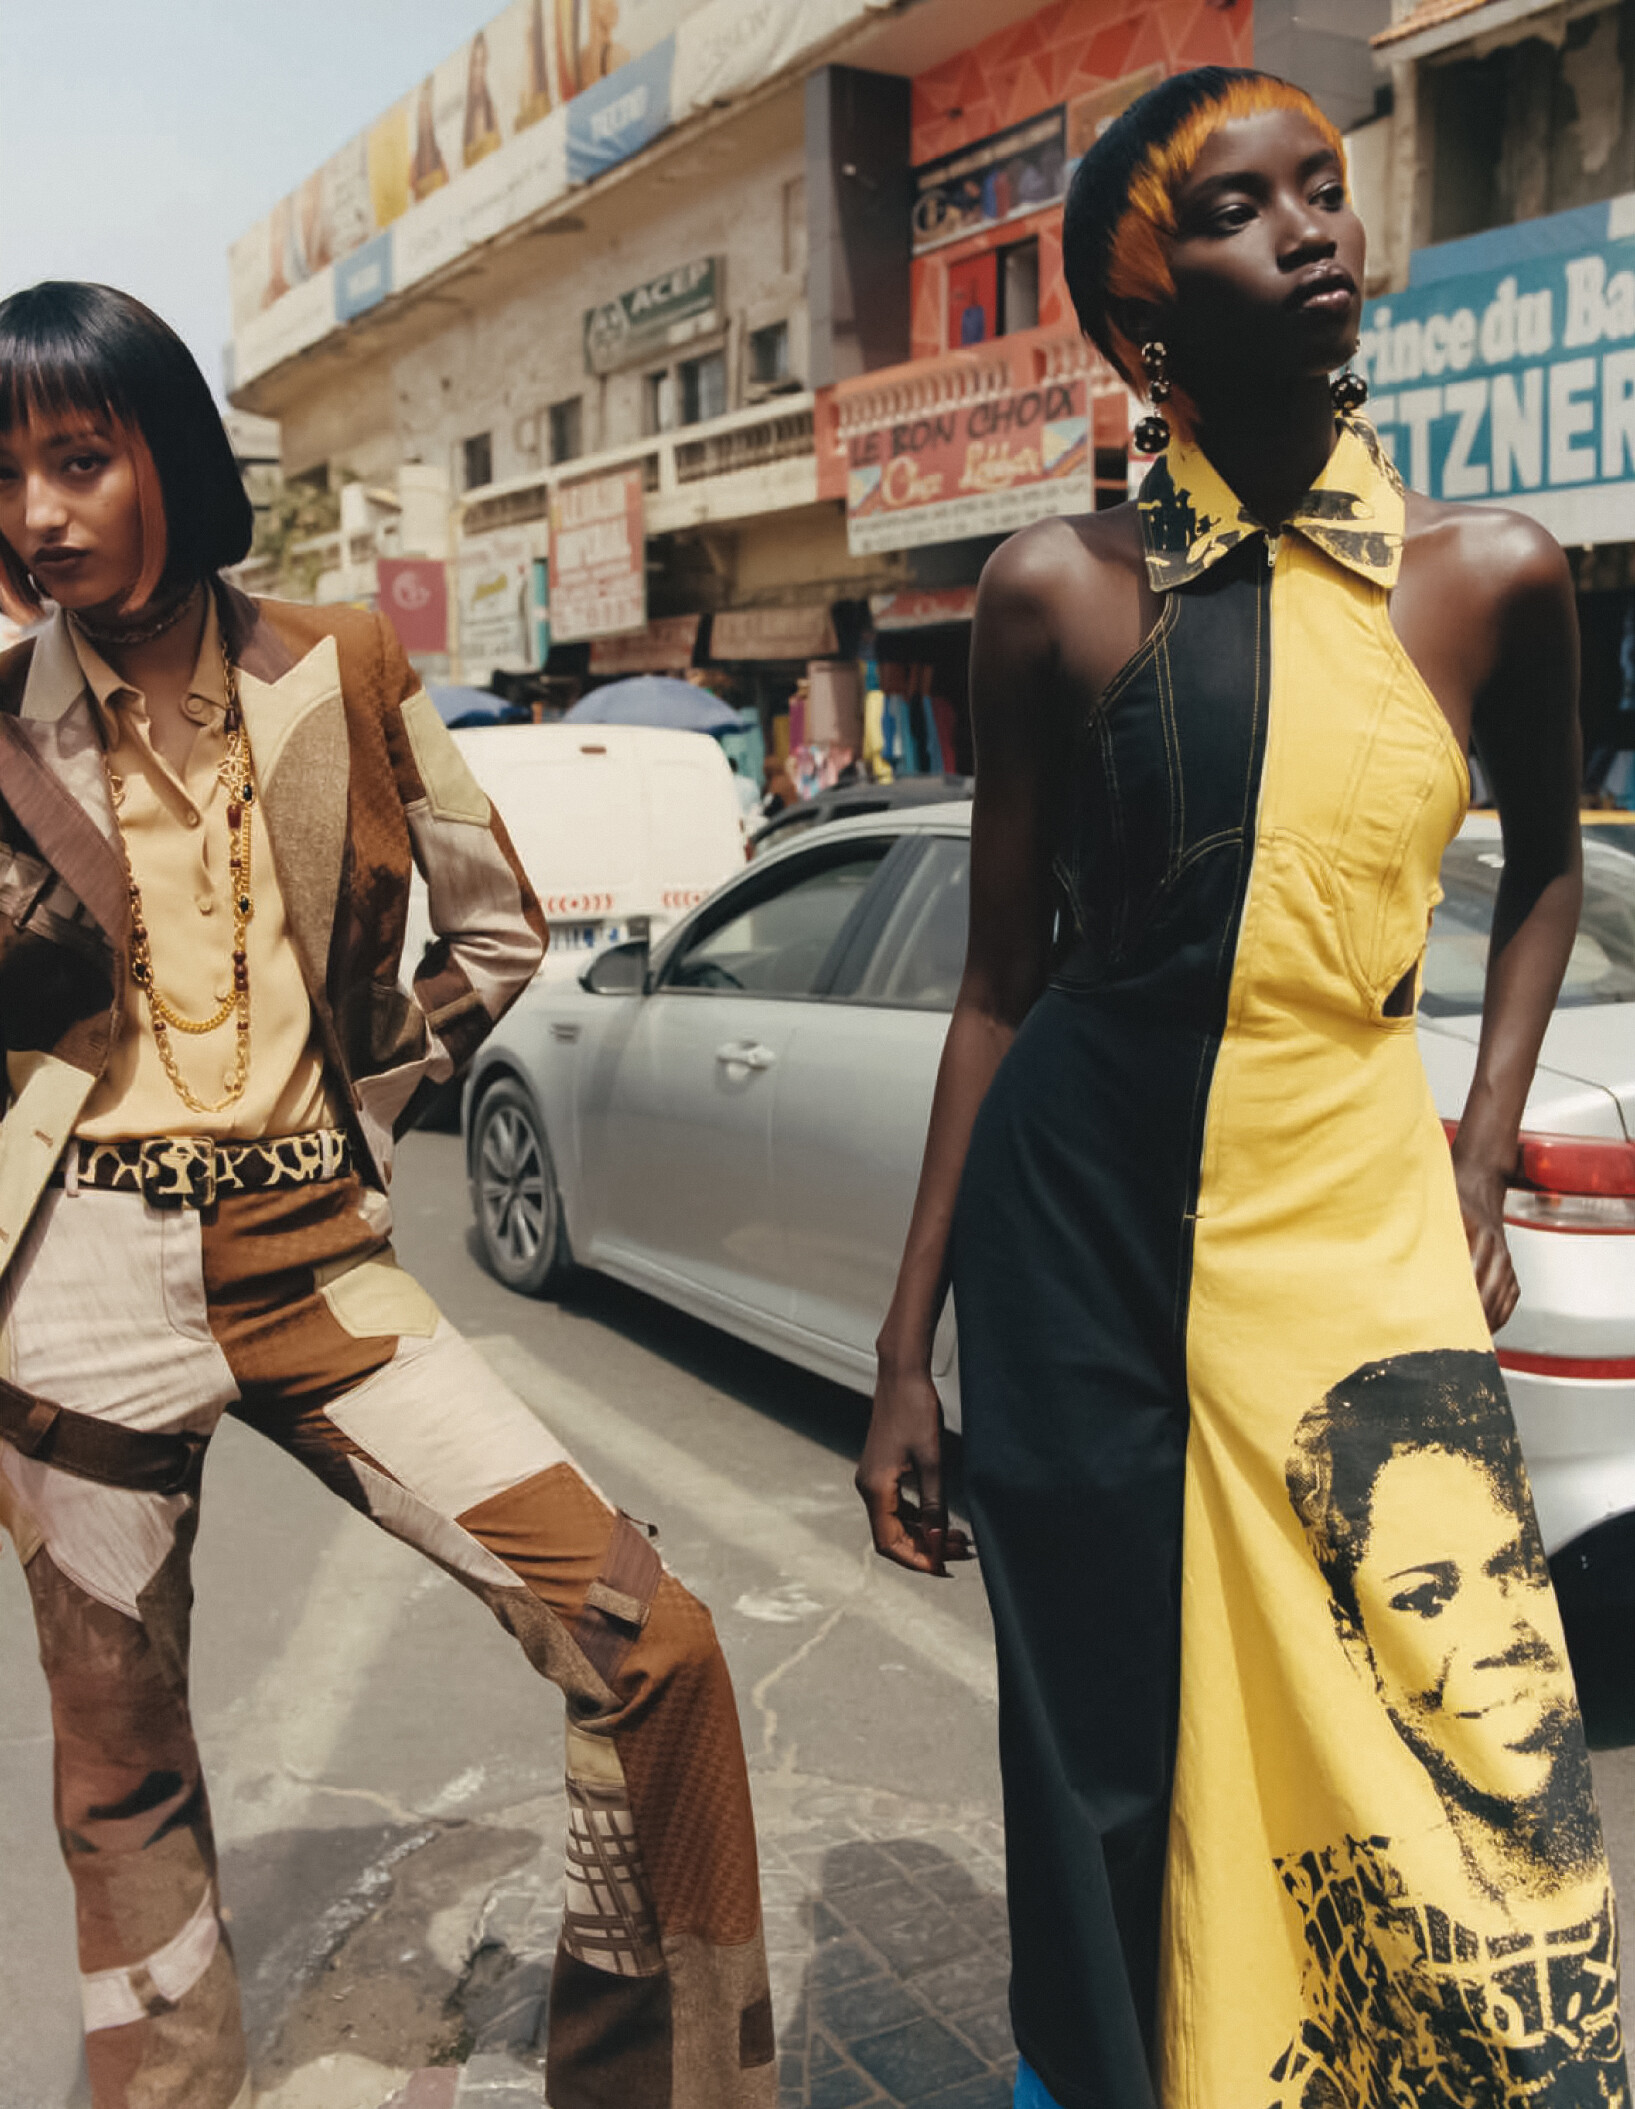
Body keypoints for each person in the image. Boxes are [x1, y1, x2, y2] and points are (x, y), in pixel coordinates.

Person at [855, 67, 1629, 2109]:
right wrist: (905, 1349)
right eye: (1236, 210)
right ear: (1144, 322)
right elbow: (995, 984)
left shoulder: (1493, 573)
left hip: (1352, 1206)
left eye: (1322, 187)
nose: (1308, 229)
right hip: (1080, 1231)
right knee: (1109, 1746)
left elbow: (1548, 874)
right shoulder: (1054, 587)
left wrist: (1480, 1149)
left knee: (1455, 1721)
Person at [0, 282, 774, 2109]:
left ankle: (654, 2086)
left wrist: (365, 1097)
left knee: (647, 1642)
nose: (37, 512)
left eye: (80, 459)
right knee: (119, 1775)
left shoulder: (340, 665)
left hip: (314, 1264)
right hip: (75, 1283)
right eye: (6, 475)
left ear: (171, 459)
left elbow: (496, 929)